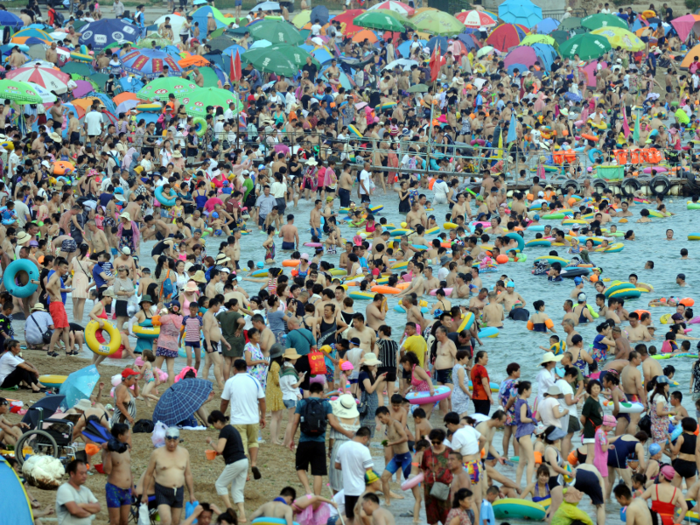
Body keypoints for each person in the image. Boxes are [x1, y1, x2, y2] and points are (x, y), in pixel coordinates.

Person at [288, 381, 356, 495]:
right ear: (321, 392)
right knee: (317, 473)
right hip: (319, 442)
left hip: (304, 441)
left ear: (309, 392)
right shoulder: (326, 404)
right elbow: (333, 423)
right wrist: (347, 433)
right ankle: (317, 498)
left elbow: (295, 422)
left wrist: (291, 439)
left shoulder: (302, 403)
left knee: (300, 468)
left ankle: (308, 490)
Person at [220, 359, 266, 481]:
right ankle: (254, 464)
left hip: (238, 420)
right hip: (253, 418)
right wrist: (263, 416)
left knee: (241, 446)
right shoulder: (254, 380)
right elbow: (262, 400)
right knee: (253, 442)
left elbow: (225, 401)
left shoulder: (231, 381)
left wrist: (221, 415)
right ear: (246, 368)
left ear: (235, 369)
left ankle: (245, 473)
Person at [141, 427, 196, 525]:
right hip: (162, 491)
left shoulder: (184, 453)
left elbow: (188, 474)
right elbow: (148, 474)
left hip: (178, 491)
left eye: (175, 441)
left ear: (179, 440)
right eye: (169, 440)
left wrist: (192, 494)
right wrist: (144, 493)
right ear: (165, 439)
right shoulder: (157, 453)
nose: (172, 444)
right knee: (166, 520)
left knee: (175, 522)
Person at [206, 410, 249, 522]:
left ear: (218, 421)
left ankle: (230, 511)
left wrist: (211, 442)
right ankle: (242, 516)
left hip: (235, 462)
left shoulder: (224, 431)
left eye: (213, 423)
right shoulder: (233, 429)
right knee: (237, 489)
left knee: (220, 484)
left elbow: (219, 449)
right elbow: (226, 449)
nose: (214, 426)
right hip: (244, 461)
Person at [334, 427, 374, 525]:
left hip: (347, 490)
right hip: (360, 490)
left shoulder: (343, 446)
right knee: (361, 517)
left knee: (350, 517)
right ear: (365, 438)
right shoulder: (364, 450)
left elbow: (337, 465)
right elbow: (370, 472)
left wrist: (349, 467)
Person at [103, 423, 132, 525]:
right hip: (114, 489)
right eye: (126, 433)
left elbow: (128, 470)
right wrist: (108, 453)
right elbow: (107, 470)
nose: (128, 435)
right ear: (120, 435)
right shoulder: (109, 450)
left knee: (124, 521)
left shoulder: (125, 448)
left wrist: (133, 487)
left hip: (127, 490)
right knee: (115, 521)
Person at [56, 459, 101, 524]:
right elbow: (75, 511)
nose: (85, 476)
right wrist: (89, 512)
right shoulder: (64, 489)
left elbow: (98, 507)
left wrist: (82, 505)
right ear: (72, 474)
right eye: (81, 473)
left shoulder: (86, 490)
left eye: (86, 473)